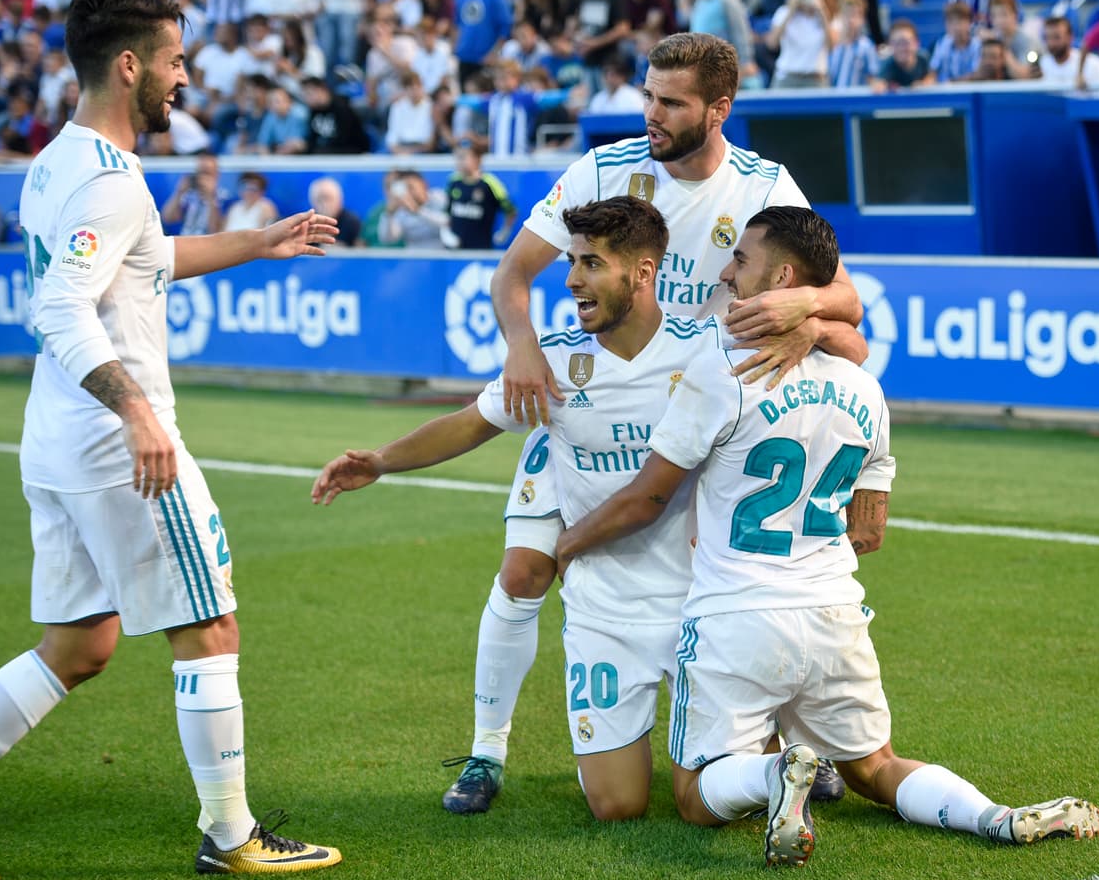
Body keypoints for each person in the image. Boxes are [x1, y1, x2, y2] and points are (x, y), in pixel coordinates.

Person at [0, 0, 344, 880]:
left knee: (81, 646)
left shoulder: (59, 160)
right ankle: (230, 835)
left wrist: (262, 238)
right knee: (211, 623)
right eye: (175, 60)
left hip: (57, 442)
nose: (183, 79)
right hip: (118, 446)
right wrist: (141, 413)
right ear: (129, 65)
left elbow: (146, 260)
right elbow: (62, 307)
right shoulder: (109, 181)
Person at [555, 205, 1099, 868]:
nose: (727, 273)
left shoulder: (720, 373)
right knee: (876, 767)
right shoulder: (864, 386)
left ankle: (773, 775)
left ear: (781, 275)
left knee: (696, 796)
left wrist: (565, 545)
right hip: (834, 611)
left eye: (741, 260)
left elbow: (648, 497)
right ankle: (992, 816)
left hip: (737, 617)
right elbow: (868, 529)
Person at [313, 198, 866, 822]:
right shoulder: (552, 361)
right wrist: (382, 461)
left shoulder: (712, 345)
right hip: (606, 607)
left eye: (590, 263)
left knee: (725, 765)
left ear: (643, 273)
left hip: (702, 606)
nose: (572, 278)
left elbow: (851, 347)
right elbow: (470, 424)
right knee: (616, 806)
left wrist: (815, 326)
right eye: (572, 261)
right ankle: (490, 751)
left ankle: (786, 752)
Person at [443, 32, 866, 817]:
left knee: (735, 580)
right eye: (648, 96)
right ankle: (485, 752)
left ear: (719, 109)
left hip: (701, 423)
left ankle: (779, 743)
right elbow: (512, 273)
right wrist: (524, 349)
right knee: (526, 570)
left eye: (671, 102)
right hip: (589, 399)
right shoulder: (603, 169)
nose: (652, 114)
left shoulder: (766, 185)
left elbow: (847, 306)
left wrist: (807, 310)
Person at [446, 139, 516, 249]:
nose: (459, 161)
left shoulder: (490, 182)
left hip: (481, 248)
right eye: (457, 157)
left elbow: (511, 210)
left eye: (463, 157)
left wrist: (504, 232)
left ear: (477, 159)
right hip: (455, 249)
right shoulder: (453, 181)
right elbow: (447, 212)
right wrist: (446, 232)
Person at [161, 153, 233, 237]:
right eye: (200, 172)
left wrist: (210, 197)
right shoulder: (189, 196)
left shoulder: (225, 198)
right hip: (185, 241)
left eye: (207, 172)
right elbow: (167, 218)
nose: (202, 177)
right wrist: (179, 192)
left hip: (209, 245)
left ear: (217, 175)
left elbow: (216, 230)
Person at [1038, 16, 1099, 88]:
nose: (1051, 43)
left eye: (1056, 37)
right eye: (1047, 37)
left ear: (1070, 37)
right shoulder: (1041, 64)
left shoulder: (1093, 64)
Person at [828, 0, 881, 89]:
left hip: (857, 102)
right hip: (833, 101)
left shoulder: (867, 46)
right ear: (839, 16)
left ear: (863, 19)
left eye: (855, 15)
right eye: (847, 14)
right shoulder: (832, 46)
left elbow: (873, 78)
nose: (851, 20)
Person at [871, 19, 935, 91]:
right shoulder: (887, 64)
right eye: (896, 43)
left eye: (906, 42)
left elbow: (932, 76)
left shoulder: (924, 58)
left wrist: (924, 84)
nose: (901, 48)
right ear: (890, 45)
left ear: (916, 43)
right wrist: (881, 85)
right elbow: (879, 82)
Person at [929, 1, 981, 83]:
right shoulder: (942, 43)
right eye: (951, 22)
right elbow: (933, 71)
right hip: (944, 92)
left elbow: (977, 74)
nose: (956, 27)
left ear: (970, 23)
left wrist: (953, 82)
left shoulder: (978, 45)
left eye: (960, 22)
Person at [309, 175, 363, 247]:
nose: (324, 204)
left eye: (328, 198)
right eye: (320, 199)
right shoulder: (308, 223)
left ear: (339, 200)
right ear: (312, 202)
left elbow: (359, 251)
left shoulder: (352, 222)